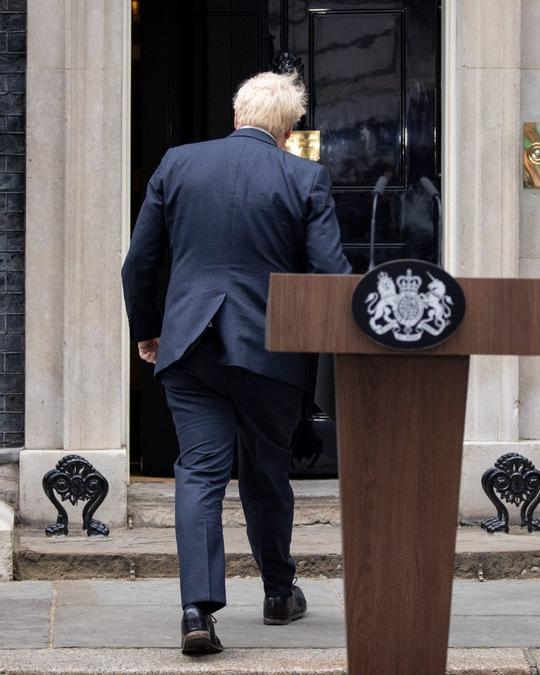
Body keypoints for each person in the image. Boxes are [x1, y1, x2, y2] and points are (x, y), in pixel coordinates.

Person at [120, 71, 352, 656]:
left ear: (237, 116)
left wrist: (149, 331)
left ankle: (196, 611)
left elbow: (139, 262)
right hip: (270, 351)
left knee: (199, 472)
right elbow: (331, 275)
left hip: (190, 346)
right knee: (265, 473)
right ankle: (278, 593)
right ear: (288, 130)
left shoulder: (178, 163)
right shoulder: (305, 177)